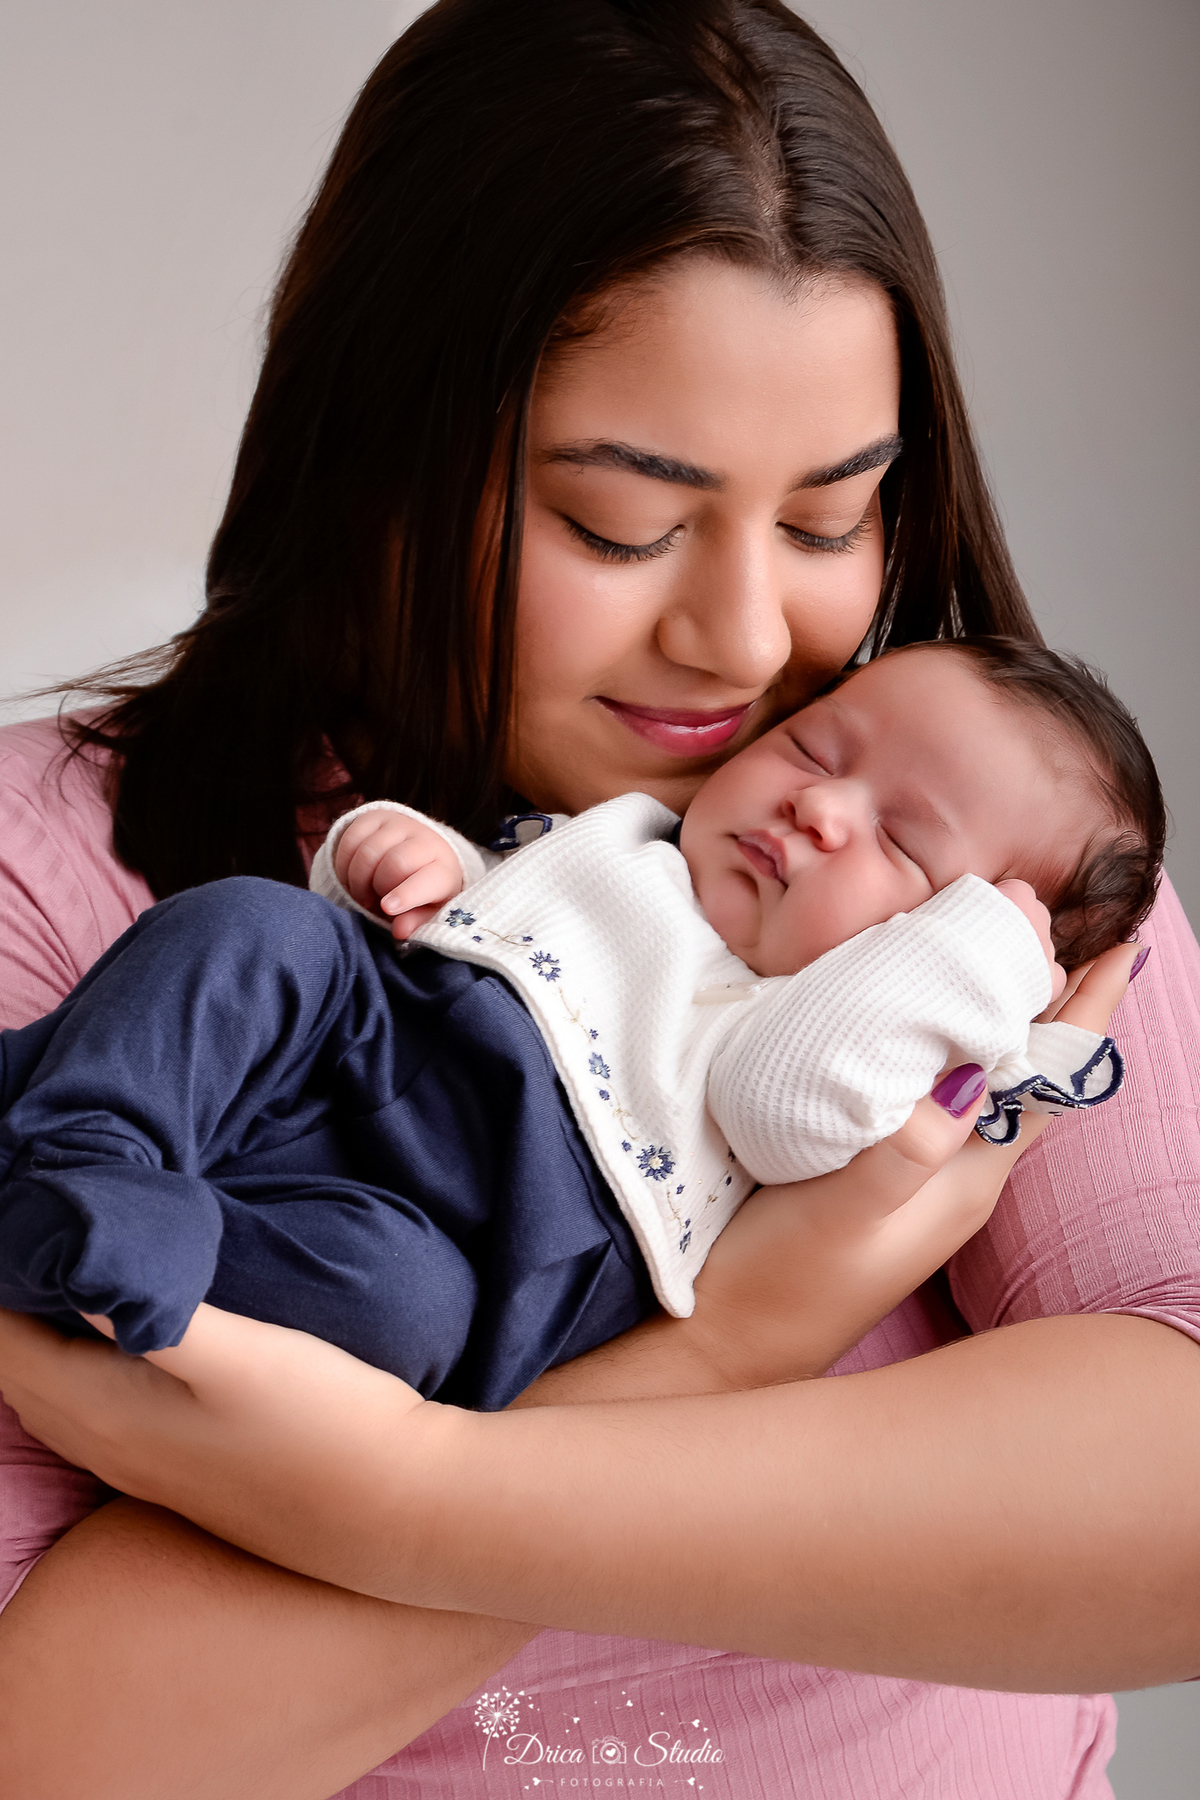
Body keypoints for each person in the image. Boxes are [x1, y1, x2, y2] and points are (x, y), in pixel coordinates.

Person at [0, 4, 1196, 1797]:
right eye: (623, 527)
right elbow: (52, 1748)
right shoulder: (49, 865)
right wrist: (739, 1338)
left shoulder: (968, 855)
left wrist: (417, 1493)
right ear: (377, 453)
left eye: (829, 524)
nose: (746, 644)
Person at [0, 639, 1157, 1391]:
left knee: (403, 1314)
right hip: (379, 1025)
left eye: (902, 843)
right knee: (261, 927)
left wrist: (974, 960)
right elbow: (488, 901)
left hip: (486, 1227)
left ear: (956, 964)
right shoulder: (637, 841)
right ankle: (89, 1141)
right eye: (814, 747)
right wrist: (394, 856)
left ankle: (121, 1239)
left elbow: (782, 1104)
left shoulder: (825, 1043)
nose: (819, 805)